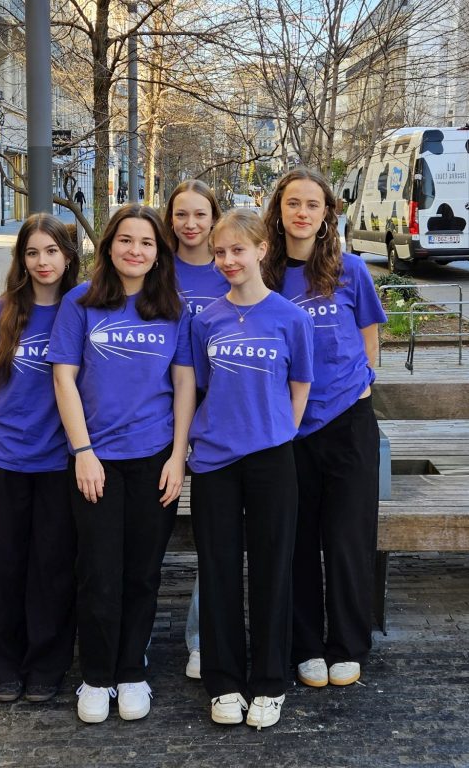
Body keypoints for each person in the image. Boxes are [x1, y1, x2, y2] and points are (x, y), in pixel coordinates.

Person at [48, 204, 195, 725]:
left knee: (143, 573)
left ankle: (132, 670)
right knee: (98, 572)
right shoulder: (80, 303)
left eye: (147, 242)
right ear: (109, 246)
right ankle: (96, 675)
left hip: (154, 459)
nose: (136, 250)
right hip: (96, 462)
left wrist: (178, 456)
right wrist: (83, 451)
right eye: (126, 240)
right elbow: (64, 379)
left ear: (159, 254)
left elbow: (183, 385)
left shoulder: (173, 309)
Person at [263, 167, 387, 690]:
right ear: (278, 211)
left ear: (327, 214)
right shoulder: (265, 274)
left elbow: (369, 338)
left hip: (348, 426)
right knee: (296, 540)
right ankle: (307, 645)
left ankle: (347, 644)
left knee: (346, 539)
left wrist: (361, 385)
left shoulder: (350, 270)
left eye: (312, 204)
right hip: (288, 430)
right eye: (293, 203)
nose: (302, 213)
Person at [189, 209, 314, 729]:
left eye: (237, 250)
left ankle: (268, 682)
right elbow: (198, 386)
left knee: (271, 568)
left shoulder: (290, 318)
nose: (227, 260)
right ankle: (223, 682)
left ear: (262, 250)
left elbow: (300, 386)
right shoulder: (205, 320)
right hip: (214, 461)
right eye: (219, 252)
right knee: (218, 570)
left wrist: (277, 432)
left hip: (271, 461)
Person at [0, 213, 80, 704]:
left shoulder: (82, 309)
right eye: (32, 252)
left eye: (51, 251)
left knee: (52, 568)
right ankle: (2, 664)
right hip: (6, 456)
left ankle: (47, 665)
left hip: (59, 462)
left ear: (68, 256)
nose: (42, 261)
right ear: (21, 259)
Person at [163, 179, 226, 681]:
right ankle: (129, 639)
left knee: (215, 533)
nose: (190, 224)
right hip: (155, 413)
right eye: (181, 214)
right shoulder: (157, 268)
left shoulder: (230, 267)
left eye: (200, 214)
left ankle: (203, 638)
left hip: (217, 414)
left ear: (214, 218)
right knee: (142, 535)